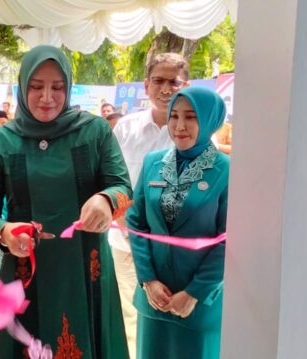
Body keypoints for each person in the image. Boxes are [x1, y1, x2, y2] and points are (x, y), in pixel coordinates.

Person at [0, 45, 131, 359]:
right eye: (36, 87)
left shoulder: (94, 132)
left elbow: (122, 187)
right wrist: (4, 232)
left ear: (69, 87)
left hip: (86, 267)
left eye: (57, 87)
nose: (47, 97)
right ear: (22, 87)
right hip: (24, 271)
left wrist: (105, 199)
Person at [126, 86, 228, 359]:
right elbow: (136, 222)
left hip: (199, 304)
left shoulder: (226, 169)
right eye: (174, 116)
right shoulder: (153, 163)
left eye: (191, 117)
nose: (180, 126)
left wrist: (195, 291)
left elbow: (229, 240)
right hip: (155, 301)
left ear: (209, 120)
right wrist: (148, 280)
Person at [110, 52, 190, 358]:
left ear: (187, 85)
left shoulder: (193, 133)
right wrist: (124, 221)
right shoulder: (125, 129)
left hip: (174, 248)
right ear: (146, 85)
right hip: (125, 242)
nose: (166, 88)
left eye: (174, 81)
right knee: (129, 315)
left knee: (171, 314)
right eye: (158, 80)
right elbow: (111, 181)